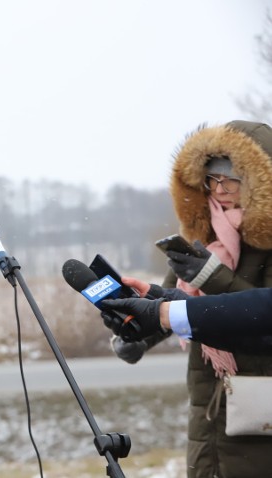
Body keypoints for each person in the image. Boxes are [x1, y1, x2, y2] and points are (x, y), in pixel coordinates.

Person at [104, 121, 272, 478]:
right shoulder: (204, 233)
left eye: (231, 179)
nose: (220, 190)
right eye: (212, 180)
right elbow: (175, 301)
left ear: (258, 181)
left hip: (262, 407)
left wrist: (211, 276)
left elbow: (262, 314)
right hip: (208, 404)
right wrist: (138, 335)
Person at [101, 283, 272, 354]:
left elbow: (262, 311)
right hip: (204, 379)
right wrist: (172, 302)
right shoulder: (194, 234)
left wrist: (165, 312)